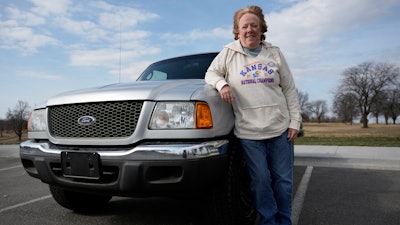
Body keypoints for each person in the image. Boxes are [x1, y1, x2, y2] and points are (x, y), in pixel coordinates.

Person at [205, 5, 302, 225]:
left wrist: (295, 121)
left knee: (283, 181)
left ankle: (284, 221)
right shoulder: (229, 52)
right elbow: (211, 72)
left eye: (254, 25)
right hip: (249, 132)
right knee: (260, 180)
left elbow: (289, 88)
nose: (250, 30)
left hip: (280, 129)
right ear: (237, 31)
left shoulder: (274, 53)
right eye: (245, 26)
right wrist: (222, 85)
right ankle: (268, 220)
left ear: (261, 28)